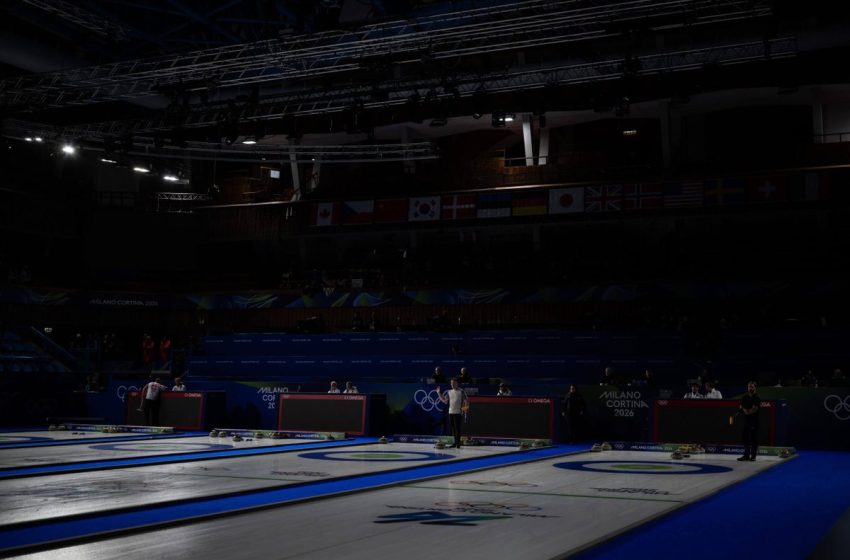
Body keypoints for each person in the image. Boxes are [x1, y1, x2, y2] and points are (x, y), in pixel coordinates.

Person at [436, 378, 469, 449]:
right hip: (451, 412)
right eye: (451, 383)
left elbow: (466, 400)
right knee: (453, 429)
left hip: (458, 412)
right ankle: (455, 443)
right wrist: (438, 393)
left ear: (457, 383)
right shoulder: (449, 392)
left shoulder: (461, 391)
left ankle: (458, 444)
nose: (452, 384)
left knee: (457, 428)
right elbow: (445, 401)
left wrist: (465, 408)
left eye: (453, 383)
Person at [738, 381, 761, 461]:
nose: (750, 388)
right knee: (745, 438)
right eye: (749, 387)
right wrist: (745, 410)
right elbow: (741, 407)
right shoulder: (744, 397)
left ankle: (753, 456)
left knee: (753, 439)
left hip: (754, 421)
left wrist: (746, 410)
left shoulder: (757, 397)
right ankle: (746, 455)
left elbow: (754, 409)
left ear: (755, 388)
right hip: (746, 421)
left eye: (752, 387)